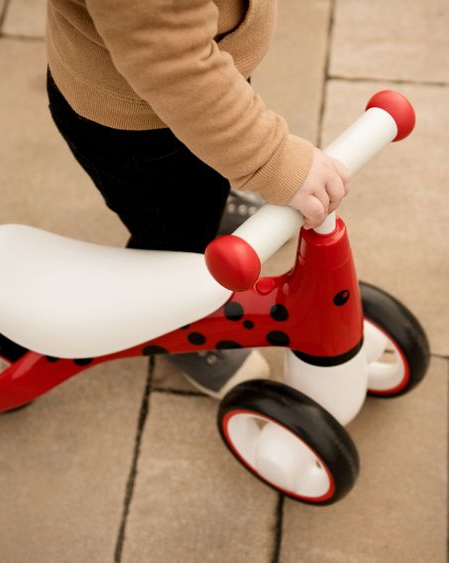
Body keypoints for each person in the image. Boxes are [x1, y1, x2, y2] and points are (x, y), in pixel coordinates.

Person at [45, 0, 350, 398]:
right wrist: (272, 159)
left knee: (207, 175)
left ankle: (209, 208)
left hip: (203, 87)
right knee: (172, 231)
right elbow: (174, 63)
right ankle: (175, 324)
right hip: (142, 127)